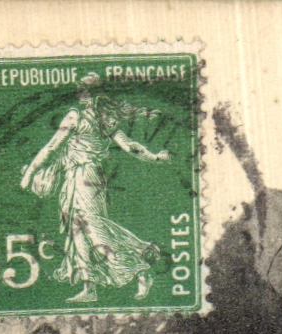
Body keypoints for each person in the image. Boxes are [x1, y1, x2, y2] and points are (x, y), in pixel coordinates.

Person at [19, 74, 170, 303]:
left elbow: (51, 147)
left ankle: (140, 266)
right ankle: (90, 287)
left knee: (94, 230)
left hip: (84, 178)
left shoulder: (76, 116)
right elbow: (130, 147)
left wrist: (30, 173)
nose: (79, 93)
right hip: (81, 178)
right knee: (78, 232)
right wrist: (155, 158)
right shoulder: (104, 119)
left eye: (82, 89)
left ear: (90, 93)